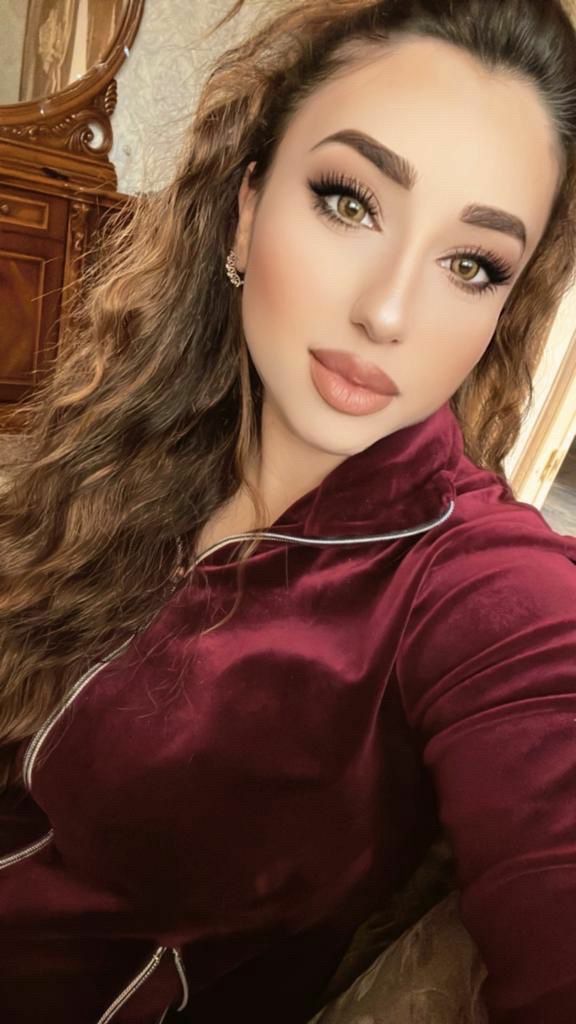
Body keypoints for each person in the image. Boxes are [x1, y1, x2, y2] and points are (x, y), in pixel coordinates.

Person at [1, 0, 576, 1021]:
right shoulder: (149, 437)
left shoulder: (483, 592)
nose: (387, 312)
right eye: (351, 203)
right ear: (245, 208)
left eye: (470, 264)